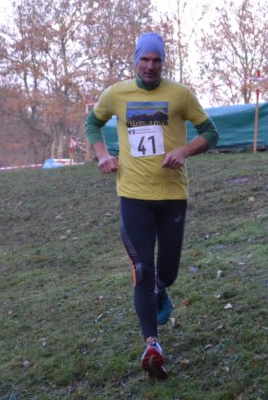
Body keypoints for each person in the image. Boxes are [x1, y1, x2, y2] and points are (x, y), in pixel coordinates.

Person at [84, 32, 219, 380]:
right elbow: (92, 123)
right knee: (142, 268)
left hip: (172, 196)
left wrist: (184, 151)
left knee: (167, 271)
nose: (150, 66)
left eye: (156, 60)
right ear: (135, 61)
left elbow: (211, 133)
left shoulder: (180, 95)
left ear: (163, 63)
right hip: (133, 195)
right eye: (144, 59)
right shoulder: (116, 94)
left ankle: (163, 287)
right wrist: (102, 155)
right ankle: (152, 345)